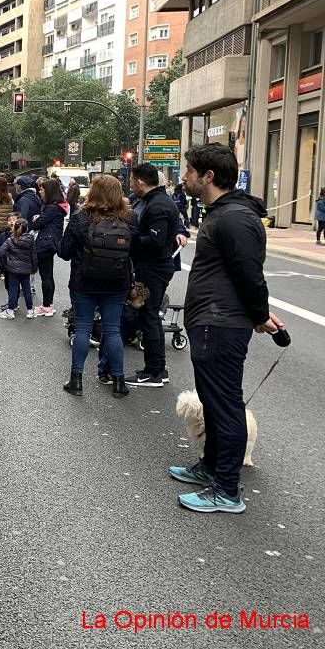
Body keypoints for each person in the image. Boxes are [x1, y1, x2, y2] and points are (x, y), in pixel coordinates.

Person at [171, 143, 283, 514]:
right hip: (211, 321)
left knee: (225, 406)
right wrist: (257, 313)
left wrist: (259, 313)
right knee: (215, 404)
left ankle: (227, 489)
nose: (183, 177)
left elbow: (249, 274)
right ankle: (211, 469)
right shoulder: (223, 214)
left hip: (220, 324)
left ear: (209, 177)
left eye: (188, 171)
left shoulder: (234, 218)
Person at [57, 174, 136, 399]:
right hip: (117, 283)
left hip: (84, 282)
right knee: (112, 330)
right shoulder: (128, 219)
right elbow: (136, 249)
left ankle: (76, 379)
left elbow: (63, 251)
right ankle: (119, 381)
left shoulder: (82, 218)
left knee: (82, 328)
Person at [125, 163, 179, 388]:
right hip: (151, 266)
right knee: (150, 315)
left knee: (149, 316)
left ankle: (154, 371)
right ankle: (157, 369)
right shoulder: (152, 201)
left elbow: (157, 241)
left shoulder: (158, 205)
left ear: (139, 182)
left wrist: (130, 240)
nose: (130, 186)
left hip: (153, 268)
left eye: (130, 181)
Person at [28, 178, 67, 317]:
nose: (40, 192)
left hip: (45, 244)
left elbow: (37, 224)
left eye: (42, 189)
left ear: (49, 191)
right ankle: (48, 305)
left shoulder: (51, 208)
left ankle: (46, 306)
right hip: (51, 243)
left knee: (46, 276)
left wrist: (36, 219)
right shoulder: (57, 207)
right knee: (48, 275)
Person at [0, 219, 37, 319]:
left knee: (13, 290)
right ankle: (30, 310)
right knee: (27, 289)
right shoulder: (30, 240)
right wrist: (33, 268)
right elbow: (34, 255)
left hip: (12, 269)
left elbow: (0, 252)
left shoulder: (10, 240)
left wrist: (3, 265)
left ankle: (10, 310)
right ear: (26, 229)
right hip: (26, 270)